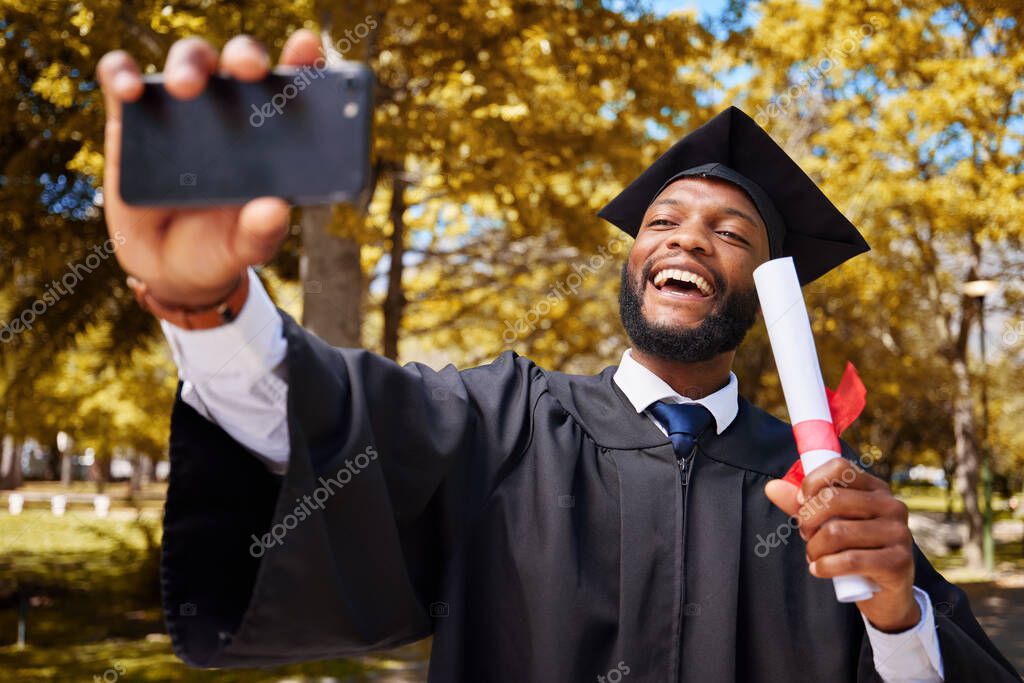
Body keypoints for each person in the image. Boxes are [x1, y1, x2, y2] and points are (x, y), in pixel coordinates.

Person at [97, 30, 1020, 683]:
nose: (687, 237)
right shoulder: (505, 421)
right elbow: (328, 416)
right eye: (662, 220)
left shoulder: (824, 492)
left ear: (770, 286)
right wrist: (209, 309)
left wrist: (896, 612)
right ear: (633, 257)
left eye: (731, 231)